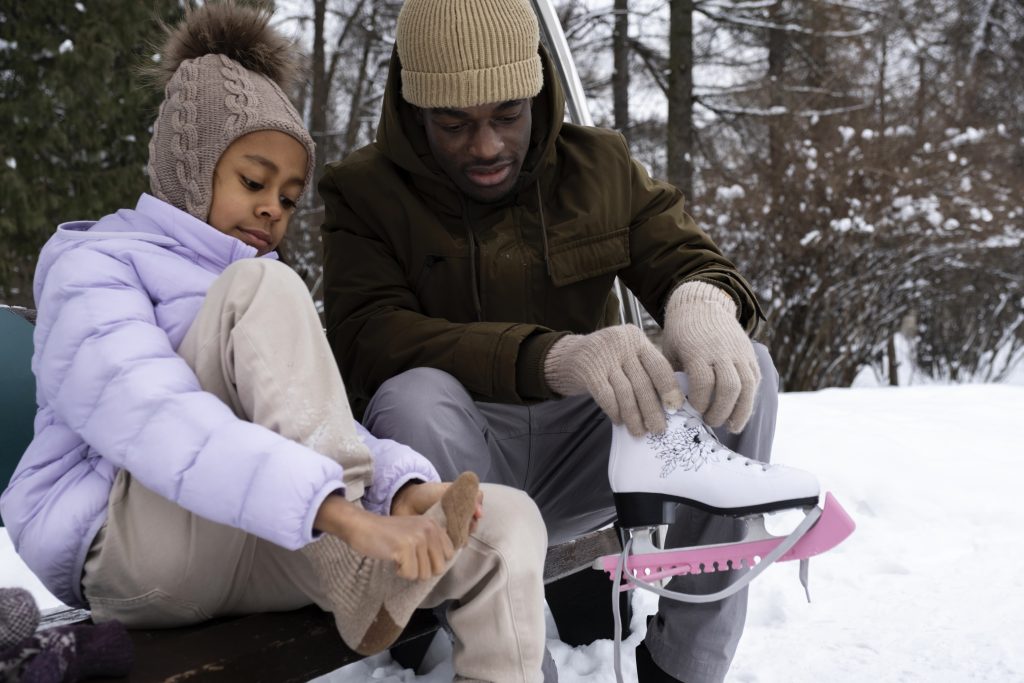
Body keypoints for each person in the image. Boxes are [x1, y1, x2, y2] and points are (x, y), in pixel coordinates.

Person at [0, 4, 551, 682]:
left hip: (269, 529)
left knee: (503, 526)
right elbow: (153, 414)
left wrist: (400, 488)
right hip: (131, 549)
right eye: (254, 182)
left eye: (290, 198)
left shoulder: (260, 293)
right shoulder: (98, 266)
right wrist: (342, 513)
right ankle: (350, 564)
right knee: (263, 287)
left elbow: (322, 429)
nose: (273, 209)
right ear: (188, 168)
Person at [317, 0, 783, 681]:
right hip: (459, 463)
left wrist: (700, 300)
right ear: (415, 109)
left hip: (588, 449)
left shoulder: (599, 164)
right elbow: (368, 337)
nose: (485, 146)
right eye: (455, 124)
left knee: (752, 372)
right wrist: (556, 356)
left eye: (507, 115)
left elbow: (688, 256)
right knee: (413, 396)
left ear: (538, 88)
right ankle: (515, 666)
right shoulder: (363, 193)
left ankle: (685, 666)